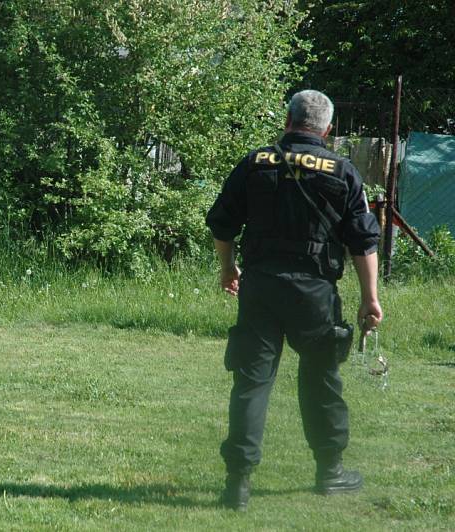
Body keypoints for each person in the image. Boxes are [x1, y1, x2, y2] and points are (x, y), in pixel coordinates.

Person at [205, 89, 383, 511]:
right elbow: (364, 241)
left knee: (252, 381)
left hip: (261, 287)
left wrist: (228, 268)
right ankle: (330, 472)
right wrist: (370, 298)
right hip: (314, 292)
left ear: (288, 120)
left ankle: (238, 484)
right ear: (327, 129)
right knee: (321, 379)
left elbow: (222, 223)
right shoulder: (341, 171)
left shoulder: (255, 163)